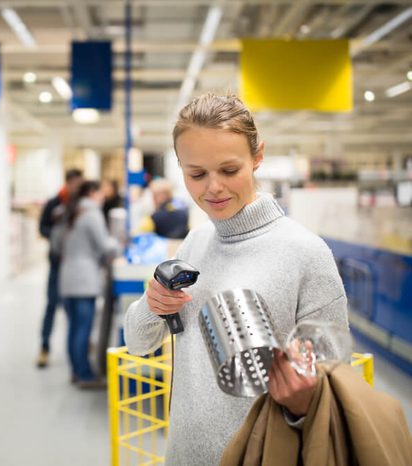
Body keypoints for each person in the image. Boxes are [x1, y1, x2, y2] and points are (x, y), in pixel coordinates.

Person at [124, 93, 349, 465]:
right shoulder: (195, 244)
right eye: (196, 174)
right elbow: (137, 342)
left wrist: (301, 399)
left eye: (229, 170)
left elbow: (335, 393)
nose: (213, 187)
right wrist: (152, 306)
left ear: (257, 156)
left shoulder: (305, 253)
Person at [58, 181, 119, 387]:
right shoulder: (92, 214)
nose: (103, 197)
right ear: (93, 193)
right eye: (101, 193)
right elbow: (104, 245)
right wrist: (118, 243)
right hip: (84, 278)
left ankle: (76, 371)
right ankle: (85, 376)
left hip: (67, 276)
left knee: (74, 327)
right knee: (83, 328)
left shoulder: (72, 212)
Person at [36, 168, 84, 368]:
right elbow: (42, 228)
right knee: (52, 304)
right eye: (75, 184)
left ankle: (80, 345)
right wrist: (58, 235)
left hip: (75, 264)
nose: (77, 188)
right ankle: (44, 347)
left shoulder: (82, 204)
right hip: (57, 263)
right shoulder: (54, 203)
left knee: (73, 307)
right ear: (68, 182)